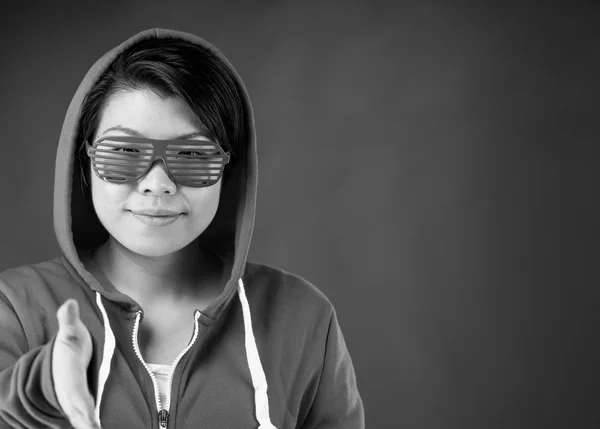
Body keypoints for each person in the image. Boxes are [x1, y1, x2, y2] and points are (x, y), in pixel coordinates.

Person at [0, 28, 364, 429]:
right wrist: (42, 389)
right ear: (83, 160)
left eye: (192, 155)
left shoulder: (302, 317)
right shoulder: (14, 309)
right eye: (123, 152)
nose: (158, 183)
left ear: (230, 169)